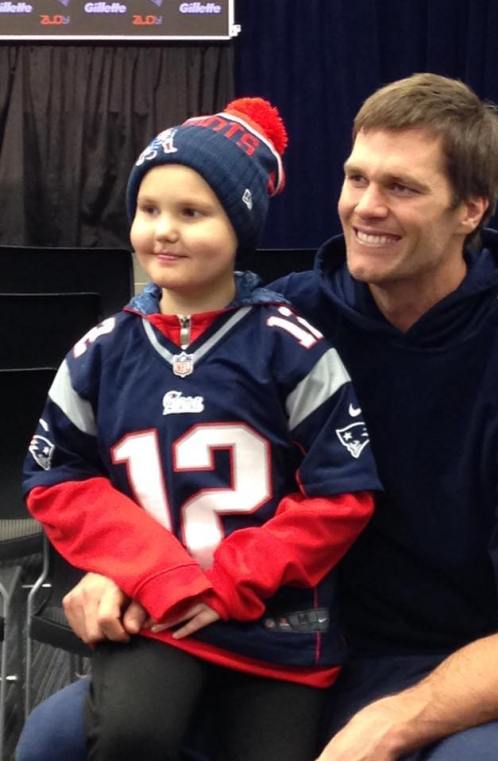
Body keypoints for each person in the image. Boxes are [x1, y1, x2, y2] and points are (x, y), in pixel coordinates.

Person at [17, 73, 498, 761]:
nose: (365, 208)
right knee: (55, 740)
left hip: (434, 663)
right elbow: (119, 467)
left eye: (402, 188)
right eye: (356, 179)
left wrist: (391, 724)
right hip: (252, 631)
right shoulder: (272, 324)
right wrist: (127, 564)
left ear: (471, 209)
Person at [20, 96, 380, 761]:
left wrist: (234, 579)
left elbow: (343, 491)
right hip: (156, 615)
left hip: (280, 622)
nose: (165, 230)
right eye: (149, 209)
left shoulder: (292, 347)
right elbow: (57, 476)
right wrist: (152, 569)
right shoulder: (99, 351)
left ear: (239, 226)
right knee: (133, 735)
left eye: (193, 212)